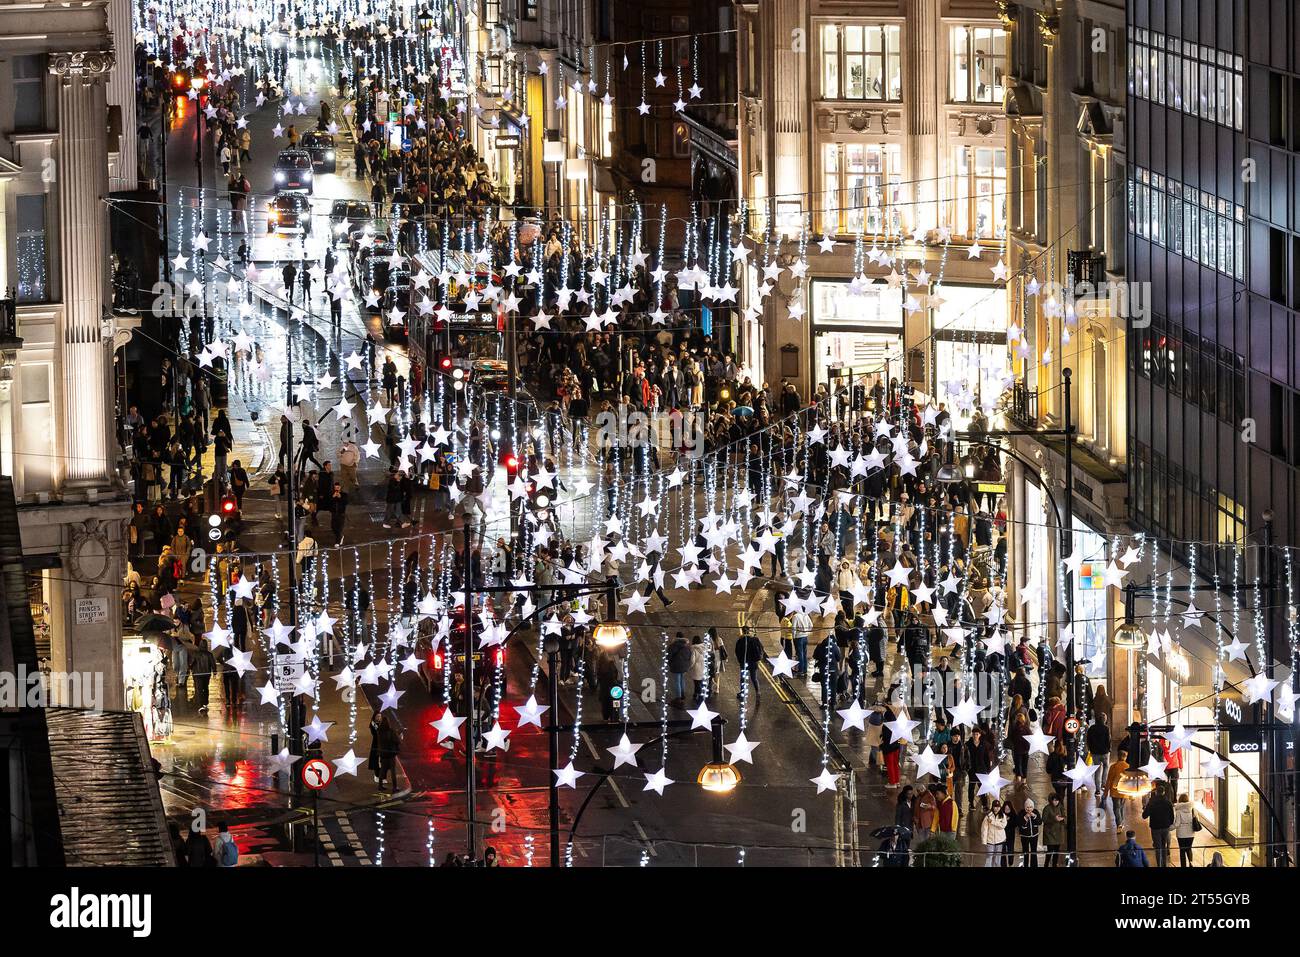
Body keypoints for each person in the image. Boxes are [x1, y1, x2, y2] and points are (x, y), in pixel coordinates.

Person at [1142, 782, 1175, 867]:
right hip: (1165, 827)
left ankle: (1159, 865)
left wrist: (1146, 808)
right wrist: (1169, 824)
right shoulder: (1168, 802)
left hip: (1155, 828)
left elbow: (1144, 816)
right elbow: (1172, 816)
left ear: (1156, 792)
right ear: (1164, 792)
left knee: (1158, 848)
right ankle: (1164, 865)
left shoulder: (1152, 802)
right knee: (1163, 847)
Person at [733, 628, 764, 702]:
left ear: (743, 631)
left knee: (743, 679)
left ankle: (742, 693)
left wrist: (740, 660)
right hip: (753, 662)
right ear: (749, 631)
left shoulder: (740, 640)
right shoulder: (755, 640)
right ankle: (758, 692)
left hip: (744, 662)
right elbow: (761, 648)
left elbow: (737, 651)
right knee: (754, 678)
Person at [1103, 749, 1130, 828]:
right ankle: (1121, 822)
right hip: (1124, 791)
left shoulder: (1113, 767)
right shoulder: (1128, 766)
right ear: (1125, 757)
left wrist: (1105, 792)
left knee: (1116, 808)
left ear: (1118, 756)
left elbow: (1109, 780)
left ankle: (1119, 823)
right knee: (1121, 807)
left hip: (1115, 791)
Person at [190, 638, 214, 715]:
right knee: (205, 688)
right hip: (206, 674)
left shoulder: (196, 654)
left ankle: (201, 704)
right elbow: (213, 664)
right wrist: (214, 671)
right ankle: (205, 702)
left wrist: (191, 668)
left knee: (199, 689)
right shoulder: (209, 654)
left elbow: (191, 663)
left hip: (197, 674)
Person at [667, 632, 692, 705]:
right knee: (682, 679)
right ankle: (682, 694)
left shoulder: (673, 646)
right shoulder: (687, 646)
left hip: (676, 666)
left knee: (677, 681)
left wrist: (670, 662)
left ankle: (678, 698)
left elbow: (669, 656)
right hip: (684, 666)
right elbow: (689, 655)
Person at [1042, 792, 1066, 866]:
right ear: (1051, 800)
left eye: (1057, 800)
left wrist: (1062, 819)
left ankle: (1054, 864)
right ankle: (1046, 864)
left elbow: (1064, 816)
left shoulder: (1061, 807)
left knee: (1056, 851)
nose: (1055, 802)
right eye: (1054, 800)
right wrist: (1054, 819)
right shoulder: (1047, 808)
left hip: (1058, 832)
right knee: (1050, 851)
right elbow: (1044, 820)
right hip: (1050, 833)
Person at [982, 800, 1008, 867]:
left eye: (998, 807)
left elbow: (1003, 825)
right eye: (995, 807)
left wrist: (992, 822)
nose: (997, 808)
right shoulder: (988, 816)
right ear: (992, 807)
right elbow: (984, 829)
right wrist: (984, 841)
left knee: (997, 860)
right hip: (990, 841)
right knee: (989, 858)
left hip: (999, 841)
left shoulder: (1003, 816)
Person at [1017, 797, 1042, 866]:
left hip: (1034, 836)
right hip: (1024, 836)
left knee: (1034, 851)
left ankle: (1034, 865)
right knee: (1025, 852)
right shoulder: (1021, 813)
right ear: (1025, 807)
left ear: (1033, 807)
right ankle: (1025, 865)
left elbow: (1039, 822)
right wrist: (1025, 818)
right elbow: (1019, 824)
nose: (1029, 809)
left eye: (1031, 807)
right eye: (1027, 807)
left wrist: (1034, 816)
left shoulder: (1035, 812)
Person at [1174, 792, 1197, 867]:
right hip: (1191, 833)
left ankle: (1183, 866)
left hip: (1181, 834)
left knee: (1182, 850)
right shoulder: (1193, 809)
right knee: (1189, 848)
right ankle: (1191, 863)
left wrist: (1170, 828)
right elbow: (1197, 819)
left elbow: (1177, 824)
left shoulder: (1178, 811)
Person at [791, 608, 813, 678]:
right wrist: (807, 631)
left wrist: (793, 637)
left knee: (800, 654)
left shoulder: (795, 616)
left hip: (798, 637)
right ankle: (805, 670)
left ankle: (800, 670)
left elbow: (794, 627)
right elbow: (811, 625)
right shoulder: (805, 615)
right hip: (805, 637)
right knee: (804, 654)